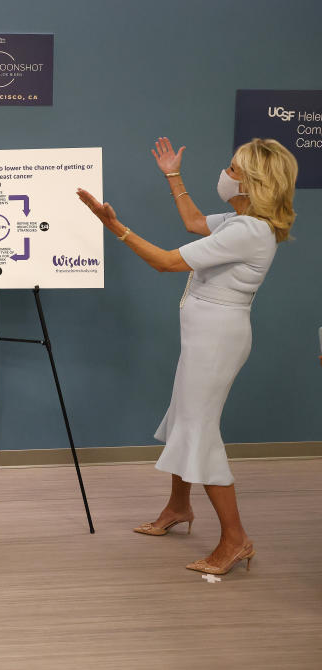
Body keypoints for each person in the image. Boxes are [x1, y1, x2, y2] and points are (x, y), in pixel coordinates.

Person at [77, 136, 297, 576]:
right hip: (205, 336)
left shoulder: (249, 230)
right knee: (184, 418)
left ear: (253, 184)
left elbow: (164, 262)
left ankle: (236, 540)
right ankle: (179, 507)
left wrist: (114, 227)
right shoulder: (242, 220)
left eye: (233, 169)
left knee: (199, 429)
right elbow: (196, 221)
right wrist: (173, 175)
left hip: (217, 340)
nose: (226, 174)